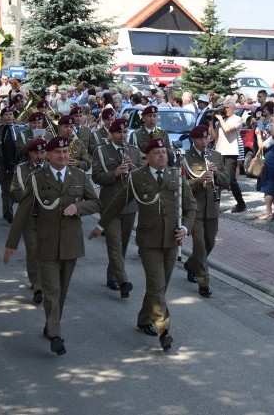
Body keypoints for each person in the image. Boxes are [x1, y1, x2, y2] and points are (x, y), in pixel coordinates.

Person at [3, 136, 101, 356]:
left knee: (62, 291)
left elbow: (96, 202)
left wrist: (79, 207)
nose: (63, 156)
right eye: (58, 152)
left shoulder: (79, 176)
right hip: (45, 243)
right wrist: (12, 244)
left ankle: (51, 322)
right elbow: (22, 212)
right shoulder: (37, 178)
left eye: (66, 152)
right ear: (48, 155)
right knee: (52, 291)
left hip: (71, 243)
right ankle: (56, 335)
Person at [98, 138, 195, 352]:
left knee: (159, 287)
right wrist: (101, 224)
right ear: (147, 157)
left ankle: (144, 318)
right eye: (157, 152)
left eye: (164, 152)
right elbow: (118, 203)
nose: (162, 155)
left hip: (172, 240)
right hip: (149, 242)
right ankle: (164, 330)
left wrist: (185, 229)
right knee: (157, 285)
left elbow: (191, 207)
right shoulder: (136, 177)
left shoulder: (176, 175)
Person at [88, 118, 144, 297]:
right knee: (114, 246)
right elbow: (96, 177)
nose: (123, 135)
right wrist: (115, 173)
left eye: (125, 132)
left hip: (129, 205)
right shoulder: (101, 151)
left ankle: (112, 276)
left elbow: (143, 176)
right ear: (111, 134)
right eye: (119, 132)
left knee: (123, 247)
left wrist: (133, 168)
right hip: (110, 205)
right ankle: (124, 281)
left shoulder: (134, 151)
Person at [179, 125, 230, 297]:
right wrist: (199, 181)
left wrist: (216, 175)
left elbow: (227, 181)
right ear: (193, 139)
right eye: (200, 138)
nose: (204, 141)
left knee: (210, 244)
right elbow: (182, 185)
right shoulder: (185, 158)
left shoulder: (216, 156)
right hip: (195, 209)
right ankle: (203, 282)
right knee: (200, 245)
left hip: (212, 209)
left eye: (206, 137)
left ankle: (191, 264)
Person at [8, 137, 49, 304]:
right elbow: (14, 191)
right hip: (29, 216)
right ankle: (37, 285)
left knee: (47, 251)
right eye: (36, 153)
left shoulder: (52, 167)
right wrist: (28, 200)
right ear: (30, 154)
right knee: (33, 250)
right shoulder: (21, 169)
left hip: (49, 218)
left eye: (42, 152)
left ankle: (47, 279)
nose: (39, 156)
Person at [212, 97, 247, 213]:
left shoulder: (237, 119)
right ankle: (216, 205)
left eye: (227, 107)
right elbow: (214, 137)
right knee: (217, 179)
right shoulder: (221, 120)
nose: (224, 110)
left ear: (233, 108)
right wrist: (210, 122)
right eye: (224, 107)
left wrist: (220, 120)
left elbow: (227, 130)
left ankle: (241, 203)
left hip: (231, 152)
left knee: (230, 180)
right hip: (219, 151)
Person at [255, 101, 274, 221]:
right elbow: (260, 127)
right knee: (273, 185)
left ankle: (269, 212)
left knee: (268, 185)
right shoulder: (267, 122)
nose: (263, 112)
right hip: (272, 155)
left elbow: (262, 145)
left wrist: (258, 136)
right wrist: (259, 121)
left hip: (270, 155)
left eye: (265, 110)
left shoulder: (272, 126)